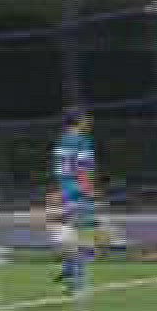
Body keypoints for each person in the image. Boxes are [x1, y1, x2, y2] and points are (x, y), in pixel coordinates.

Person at [51, 108, 99, 293]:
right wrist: (88, 190)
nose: (89, 122)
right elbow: (82, 169)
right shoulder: (82, 141)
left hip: (64, 191)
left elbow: (62, 169)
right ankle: (75, 281)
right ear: (78, 121)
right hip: (77, 193)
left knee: (75, 239)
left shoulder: (62, 141)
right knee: (89, 241)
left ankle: (69, 271)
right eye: (86, 119)